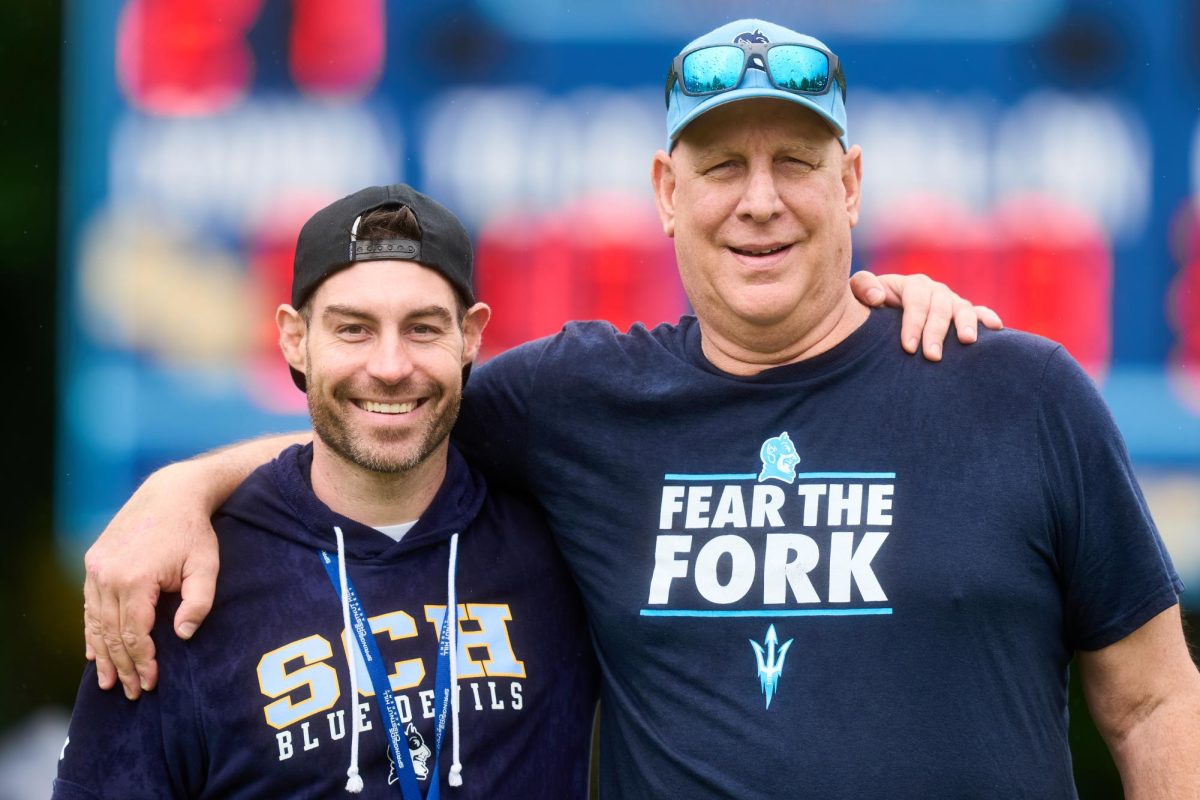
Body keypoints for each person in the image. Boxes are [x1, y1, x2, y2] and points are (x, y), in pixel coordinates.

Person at [83, 17, 1200, 798]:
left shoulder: (1020, 391)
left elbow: (1153, 704)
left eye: (794, 161)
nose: (759, 200)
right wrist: (181, 484)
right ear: (668, 194)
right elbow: (384, 416)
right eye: (720, 165)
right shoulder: (578, 401)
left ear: (850, 182)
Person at [56, 185, 598, 798]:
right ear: (294, 339)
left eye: (422, 328)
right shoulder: (189, 583)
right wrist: (179, 486)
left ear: (470, 336)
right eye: (354, 330)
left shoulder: (562, 544)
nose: (391, 367)